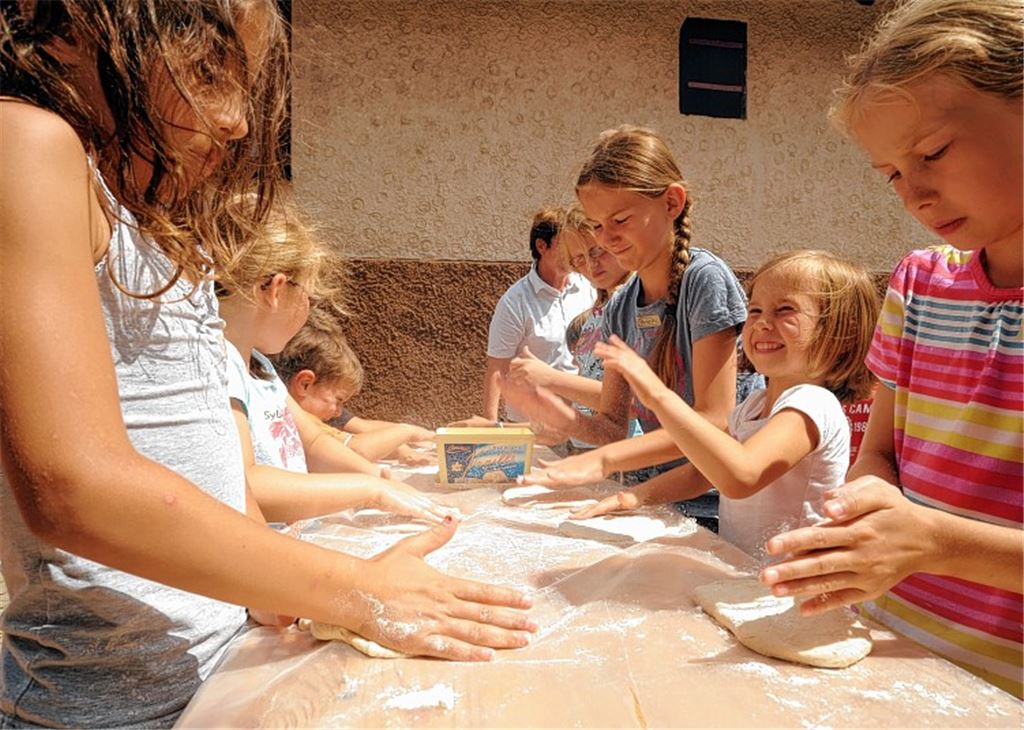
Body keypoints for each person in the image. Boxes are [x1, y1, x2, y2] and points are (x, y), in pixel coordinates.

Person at [0, 3, 533, 725]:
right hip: (106, 706)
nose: (237, 123)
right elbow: (72, 485)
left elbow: (212, 458)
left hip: (219, 675)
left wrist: (279, 586)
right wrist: (349, 588)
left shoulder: (162, 222)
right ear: (74, 31)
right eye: (207, 71)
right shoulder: (23, 144)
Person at [758, 0, 1022, 698]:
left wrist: (936, 542)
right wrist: (864, 508)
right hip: (891, 650)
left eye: (932, 153)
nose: (916, 194)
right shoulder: (919, 284)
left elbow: (934, 535)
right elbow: (881, 453)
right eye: (892, 174)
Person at [510, 125, 761, 526]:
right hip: (656, 501)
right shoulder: (621, 307)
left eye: (620, 219)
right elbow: (613, 426)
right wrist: (562, 418)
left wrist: (603, 460)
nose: (606, 238)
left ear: (672, 203)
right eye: (595, 225)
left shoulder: (705, 281)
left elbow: (715, 420)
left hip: (715, 507)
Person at [572, 251, 879, 559]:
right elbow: (702, 473)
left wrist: (658, 395)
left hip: (790, 592)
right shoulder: (755, 406)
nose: (761, 324)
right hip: (749, 576)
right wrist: (633, 498)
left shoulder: (813, 404)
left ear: (841, 333)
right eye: (755, 310)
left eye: (785, 310)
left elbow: (741, 475)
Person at [217, 197, 445, 523]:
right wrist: (368, 490)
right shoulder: (221, 366)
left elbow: (312, 442)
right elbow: (245, 483)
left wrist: (379, 477)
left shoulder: (258, 366)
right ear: (277, 290)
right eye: (308, 297)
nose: (309, 309)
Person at [504, 205, 636, 451]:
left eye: (598, 251)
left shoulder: (631, 305)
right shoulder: (594, 314)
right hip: (587, 446)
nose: (592, 265)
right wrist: (497, 429)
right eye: (580, 260)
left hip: (627, 455)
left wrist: (549, 378)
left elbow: (630, 403)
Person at [273, 307, 437, 466]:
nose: (338, 411)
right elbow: (355, 451)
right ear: (305, 384)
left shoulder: (310, 406)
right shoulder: (292, 415)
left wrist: (403, 449)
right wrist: (407, 432)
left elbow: (363, 428)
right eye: (338, 400)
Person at [482, 206, 596, 423]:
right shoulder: (514, 302)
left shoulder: (590, 288)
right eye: (565, 246)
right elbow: (496, 369)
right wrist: (490, 428)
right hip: (532, 424)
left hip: (582, 421)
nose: (573, 253)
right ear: (542, 246)